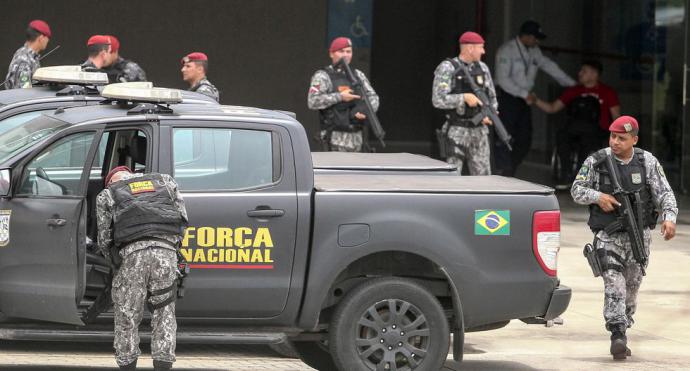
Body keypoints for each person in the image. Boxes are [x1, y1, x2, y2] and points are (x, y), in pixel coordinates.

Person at [571, 115, 677, 360]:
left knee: (632, 287)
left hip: (639, 237)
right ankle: (617, 333)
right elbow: (577, 189)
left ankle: (624, 327)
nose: (615, 142)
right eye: (613, 136)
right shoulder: (596, 161)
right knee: (614, 284)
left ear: (634, 140)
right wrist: (598, 196)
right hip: (608, 236)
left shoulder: (646, 161)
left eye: (622, 138)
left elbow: (665, 193)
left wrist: (669, 218)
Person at [96, 166, 188, 371]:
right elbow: (182, 219)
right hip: (166, 255)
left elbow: (104, 239)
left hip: (132, 257)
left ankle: (127, 365)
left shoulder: (107, 194)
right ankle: (163, 365)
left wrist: (114, 263)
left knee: (127, 315)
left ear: (112, 181)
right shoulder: (166, 182)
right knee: (164, 313)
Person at [494, 20, 576, 176]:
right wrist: (525, 95)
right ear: (525, 36)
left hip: (525, 99)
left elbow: (550, 67)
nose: (537, 41)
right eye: (535, 37)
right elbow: (503, 80)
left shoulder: (534, 51)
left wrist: (573, 85)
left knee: (525, 138)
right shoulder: (507, 50)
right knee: (505, 135)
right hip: (507, 97)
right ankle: (504, 170)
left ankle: (511, 167)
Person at [535, 60, 621, 184]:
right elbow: (552, 108)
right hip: (574, 130)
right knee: (562, 136)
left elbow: (616, 117)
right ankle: (566, 173)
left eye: (584, 71)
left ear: (594, 74)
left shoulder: (607, 92)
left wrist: (622, 134)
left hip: (597, 130)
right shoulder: (574, 91)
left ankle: (580, 176)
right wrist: (535, 100)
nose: (579, 73)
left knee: (588, 142)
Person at [432, 31, 497, 175]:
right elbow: (437, 99)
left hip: (479, 132)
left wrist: (489, 114)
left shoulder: (483, 68)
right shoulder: (447, 68)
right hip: (456, 131)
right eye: (481, 47)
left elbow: (492, 98)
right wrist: (463, 98)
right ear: (470, 48)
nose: (483, 51)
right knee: (452, 178)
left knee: (484, 180)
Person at [307, 36, 379, 152]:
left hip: (358, 139)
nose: (345, 55)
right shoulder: (323, 76)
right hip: (334, 139)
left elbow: (373, 98)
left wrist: (363, 110)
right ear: (331, 54)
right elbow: (312, 101)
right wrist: (340, 96)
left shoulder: (358, 75)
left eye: (348, 51)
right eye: (341, 51)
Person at [4, 20, 52, 89]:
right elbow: (25, 90)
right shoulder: (24, 60)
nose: (48, 41)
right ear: (41, 38)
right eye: (47, 38)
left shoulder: (30, 56)